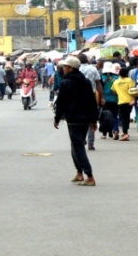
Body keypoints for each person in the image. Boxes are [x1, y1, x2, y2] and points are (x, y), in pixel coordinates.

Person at [53, 56, 98, 186]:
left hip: (73, 119)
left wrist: (57, 118)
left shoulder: (66, 83)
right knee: (76, 145)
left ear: (71, 68)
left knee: (78, 147)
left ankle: (89, 176)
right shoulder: (86, 82)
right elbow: (92, 102)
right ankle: (79, 173)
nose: (63, 69)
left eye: (65, 67)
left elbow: (61, 102)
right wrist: (94, 120)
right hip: (86, 119)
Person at [77, 55, 102, 149]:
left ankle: (82, 138)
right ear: (87, 60)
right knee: (92, 118)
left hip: (78, 97)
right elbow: (98, 83)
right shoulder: (93, 69)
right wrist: (102, 97)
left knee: (80, 119)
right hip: (92, 96)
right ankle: (91, 143)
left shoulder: (76, 70)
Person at [113, 67, 136, 141]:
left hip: (121, 102)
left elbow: (114, 92)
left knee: (123, 118)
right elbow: (133, 91)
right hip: (129, 101)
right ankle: (125, 131)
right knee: (127, 117)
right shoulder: (129, 80)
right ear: (127, 74)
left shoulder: (116, 82)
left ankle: (125, 133)